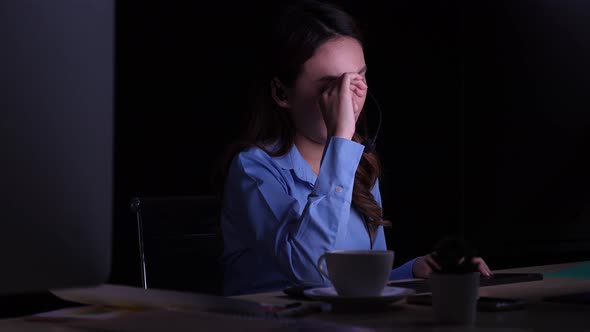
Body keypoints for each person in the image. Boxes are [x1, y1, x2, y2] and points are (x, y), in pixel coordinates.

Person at [219, 0, 491, 296]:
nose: (350, 102)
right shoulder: (254, 168)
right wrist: (340, 142)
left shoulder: (358, 163)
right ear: (282, 93)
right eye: (332, 87)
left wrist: (414, 271)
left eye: (358, 80)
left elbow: (356, 282)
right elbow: (312, 274)